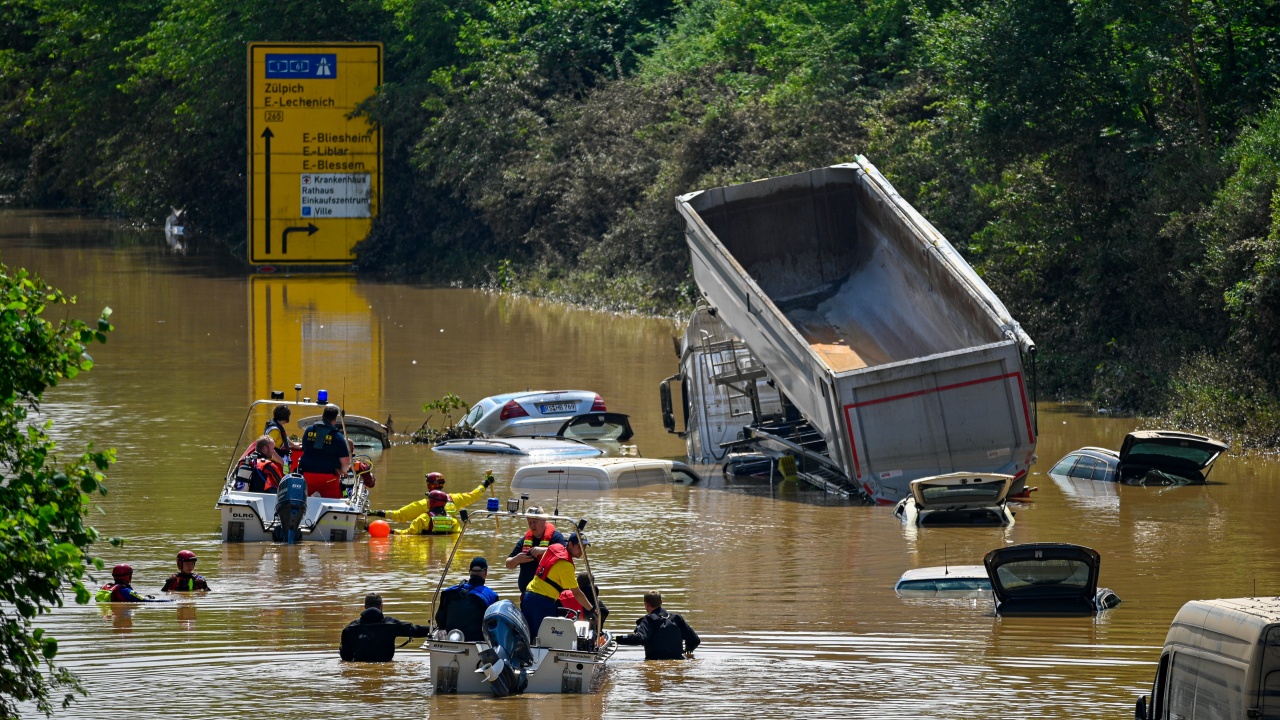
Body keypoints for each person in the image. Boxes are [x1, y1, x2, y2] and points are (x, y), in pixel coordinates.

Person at [370, 471, 493, 535]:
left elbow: (399, 515)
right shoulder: (456, 499)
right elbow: (474, 495)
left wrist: (377, 513)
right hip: (449, 533)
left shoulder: (424, 504)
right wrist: (485, 483)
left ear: (429, 485)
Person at [520, 533, 592, 639]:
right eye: (579, 547)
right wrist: (592, 609)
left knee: (527, 637)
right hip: (543, 602)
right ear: (570, 544)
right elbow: (576, 593)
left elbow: (548, 549)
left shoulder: (554, 548)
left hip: (528, 597)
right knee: (548, 640)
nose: (582, 551)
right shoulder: (566, 565)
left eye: (584, 548)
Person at [339, 593, 432, 662]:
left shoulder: (350, 629)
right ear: (381, 606)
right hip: (385, 664)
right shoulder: (391, 625)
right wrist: (436, 627)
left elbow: (346, 658)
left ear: (365, 607)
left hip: (359, 669)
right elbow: (416, 631)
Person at [616, 590, 700, 660]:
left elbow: (641, 638)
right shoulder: (676, 618)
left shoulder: (648, 620)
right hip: (679, 661)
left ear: (646, 605)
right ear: (661, 602)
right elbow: (695, 640)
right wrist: (686, 651)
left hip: (656, 662)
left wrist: (616, 638)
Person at [504, 506, 566, 594]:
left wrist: (544, 551)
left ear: (544, 520)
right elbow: (508, 564)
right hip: (527, 594)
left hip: (549, 595)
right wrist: (516, 559)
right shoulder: (525, 541)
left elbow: (565, 553)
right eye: (530, 523)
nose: (532, 525)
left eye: (535, 522)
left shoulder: (556, 538)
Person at [435, 557, 499, 641]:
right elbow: (494, 626)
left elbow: (440, 621)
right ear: (485, 573)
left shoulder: (449, 592)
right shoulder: (491, 596)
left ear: (469, 572)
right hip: (476, 644)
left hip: (450, 641)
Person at [296, 404, 350, 498]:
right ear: (334, 420)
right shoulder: (337, 436)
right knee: (335, 503)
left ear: (322, 416)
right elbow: (345, 460)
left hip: (307, 476)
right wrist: (342, 470)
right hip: (328, 479)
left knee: (301, 499)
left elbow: (304, 448)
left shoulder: (309, 430)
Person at [95, 564, 172, 603]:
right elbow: (147, 602)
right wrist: (173, 601)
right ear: (128, 577)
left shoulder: (106, 587)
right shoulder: (126, 591)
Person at [263, 404, 301, 469]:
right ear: (285, 417)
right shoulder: (275, 430)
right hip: (275, 460)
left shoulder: (276, 425)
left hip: (278, 457)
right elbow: (270, 448)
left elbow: (284, 437)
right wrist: (282, 462)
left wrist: (294, 445)